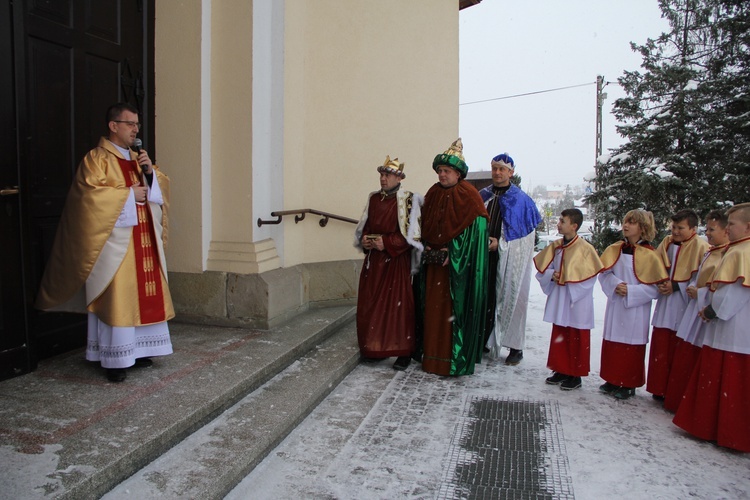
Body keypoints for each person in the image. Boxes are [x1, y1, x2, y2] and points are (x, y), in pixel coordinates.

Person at [36, 103, 174, 383]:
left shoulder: (139, 158)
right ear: (113, 126)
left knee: (143, 293)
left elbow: (159, 189)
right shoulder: (96, 159)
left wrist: (149, 174)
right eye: (130, 124)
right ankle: (115, 359)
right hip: (115, 243)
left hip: (143, 237)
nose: (136, 130)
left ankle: (139, 351)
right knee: (118, 296)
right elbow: (88, 197)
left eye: (137, 125)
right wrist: (126, 195)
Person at [673, 202, 750, 452]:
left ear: (747, 226)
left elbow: (736, 291)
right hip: (726, 328)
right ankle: (716, 428)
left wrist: (713, 309)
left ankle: (728, 433)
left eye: (733, 224)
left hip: (735, 329)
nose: (728, 229)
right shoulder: (736, 249)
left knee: (730, 381)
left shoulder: (743, 252)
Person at [416, 138, 488, 376]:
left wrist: (452, 251)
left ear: (458, 174)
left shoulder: (470, 196)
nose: (442, 175)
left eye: (446, 171)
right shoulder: (434, 193)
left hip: (456, 272)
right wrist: (426, 246)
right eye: (440, 171)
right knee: (432, 311)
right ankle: (431, 357)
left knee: (450, 315)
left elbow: (473, 237)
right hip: (433, 266)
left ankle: (451, 360)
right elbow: (424, 226)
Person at [354, 156, 422, 371]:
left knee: (397, 307)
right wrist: (365, 240)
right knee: (371, 304)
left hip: (396, 262)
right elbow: (365, 226)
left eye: (387, 175)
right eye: (381, 175)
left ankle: (403, 351)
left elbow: (414, 235)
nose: (383, 179)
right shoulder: (374, 199)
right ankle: (375, 347)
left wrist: (388, 242)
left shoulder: (409, 200)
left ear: (399, 177)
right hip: (374, 262)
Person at [598, 209, 668, 400]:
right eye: (625, 221)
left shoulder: (651, 255)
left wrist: (632, 291)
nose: (626, 225)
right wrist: (614, 285)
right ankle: (612, 378)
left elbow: (655, 287)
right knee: (613, 341)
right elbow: (604, 273)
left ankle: (628, 383)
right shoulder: (616, 249)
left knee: (631, 345)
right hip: (616, 304)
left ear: (643, 228)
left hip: (636, 308)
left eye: (632, 222)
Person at [478, 153, 542, 365]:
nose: (497, 172)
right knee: (484, 300)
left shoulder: (521, 201)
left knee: (514, 300)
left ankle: (515, 347)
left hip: (509, 260)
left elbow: (526, 239)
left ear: (511, 172)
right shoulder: (482, 196)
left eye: (502, 169)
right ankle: (484, 340)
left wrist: (502, 244)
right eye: (495, 168)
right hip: (484, 259)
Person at [663, 210, 729, 412]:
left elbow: (722, 288)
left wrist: (697, 292)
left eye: (711, 229)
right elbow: (698, 276)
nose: (707, 233)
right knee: (685, 355)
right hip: (695, 308)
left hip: (705, 312)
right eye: (706, 229)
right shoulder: (712, 251)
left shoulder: (728, 254)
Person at [534, 208, 603, 390]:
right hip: (560, 297)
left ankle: (575, 374)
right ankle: (561, 369)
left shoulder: (586, 249)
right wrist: (552, 275)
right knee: (560, 333)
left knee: (577, 335)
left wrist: (570, 282)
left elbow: (590, 277)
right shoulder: (556, 246)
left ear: (574, 226)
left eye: (562, 221)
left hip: (577, 301)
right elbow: (543, 270)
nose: (559, 224)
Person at [646, 209, 709, 400]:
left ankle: (673, 391)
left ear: (693, 228)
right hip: (665, 302)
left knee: (678, 350)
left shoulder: (701, 247)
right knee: (662, 348)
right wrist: (660, 282)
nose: (675, 232)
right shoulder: (667, 244)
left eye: (680, 228)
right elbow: (655, 266)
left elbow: (700, 276)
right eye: (673, 227)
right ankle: (659, 388)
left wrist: (677, 285)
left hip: (683, 304)